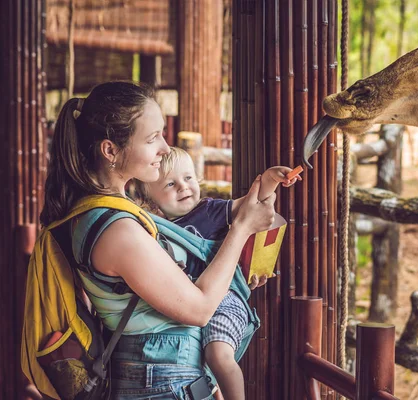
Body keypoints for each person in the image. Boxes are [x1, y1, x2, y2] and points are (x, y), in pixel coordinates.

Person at [39, 81, 276, 399]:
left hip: (165, 373)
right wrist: (242, 228)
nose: (165, 149)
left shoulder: (106, 212)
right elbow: (200, 309)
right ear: (111, 150)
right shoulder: (116, 229)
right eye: (152, 139)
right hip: (160, 381)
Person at [135, 147, 298, 400]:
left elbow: (250, 206)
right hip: (190, 304)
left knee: (218, 355)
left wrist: (269, 181)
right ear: (150, 199)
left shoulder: (208, 211)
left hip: (224, 299)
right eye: (170, 183)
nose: (183, 187)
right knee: (200, 364)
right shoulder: (155, 230)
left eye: (188, 178)